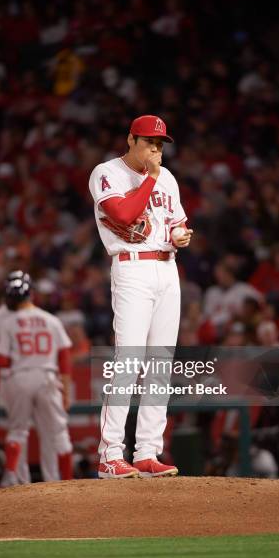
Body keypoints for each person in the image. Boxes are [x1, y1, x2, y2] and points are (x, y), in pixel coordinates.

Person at [89, 115, 193, 478]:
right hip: (131, 268)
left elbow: (177, 221)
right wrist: (149, 176)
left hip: (167, 269)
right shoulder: (108, 172)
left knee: (161, 366)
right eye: (149, 141)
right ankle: (110, 454)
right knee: (128, 362)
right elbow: (123, 212)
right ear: (130, 139)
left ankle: (147, 451)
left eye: (160, 143)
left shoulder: (168, 178)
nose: (155, 149)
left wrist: (181, 235)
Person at [0, 273, 73, 487]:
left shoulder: (8, 322)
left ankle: (12, 476)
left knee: (18, 429)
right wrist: (65, 390)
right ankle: (65, 481)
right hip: (47, 377)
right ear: (31, 294)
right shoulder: (51, 320)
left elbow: (1, 359)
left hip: (20, 376)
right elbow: (64, 359)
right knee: (57, 431)